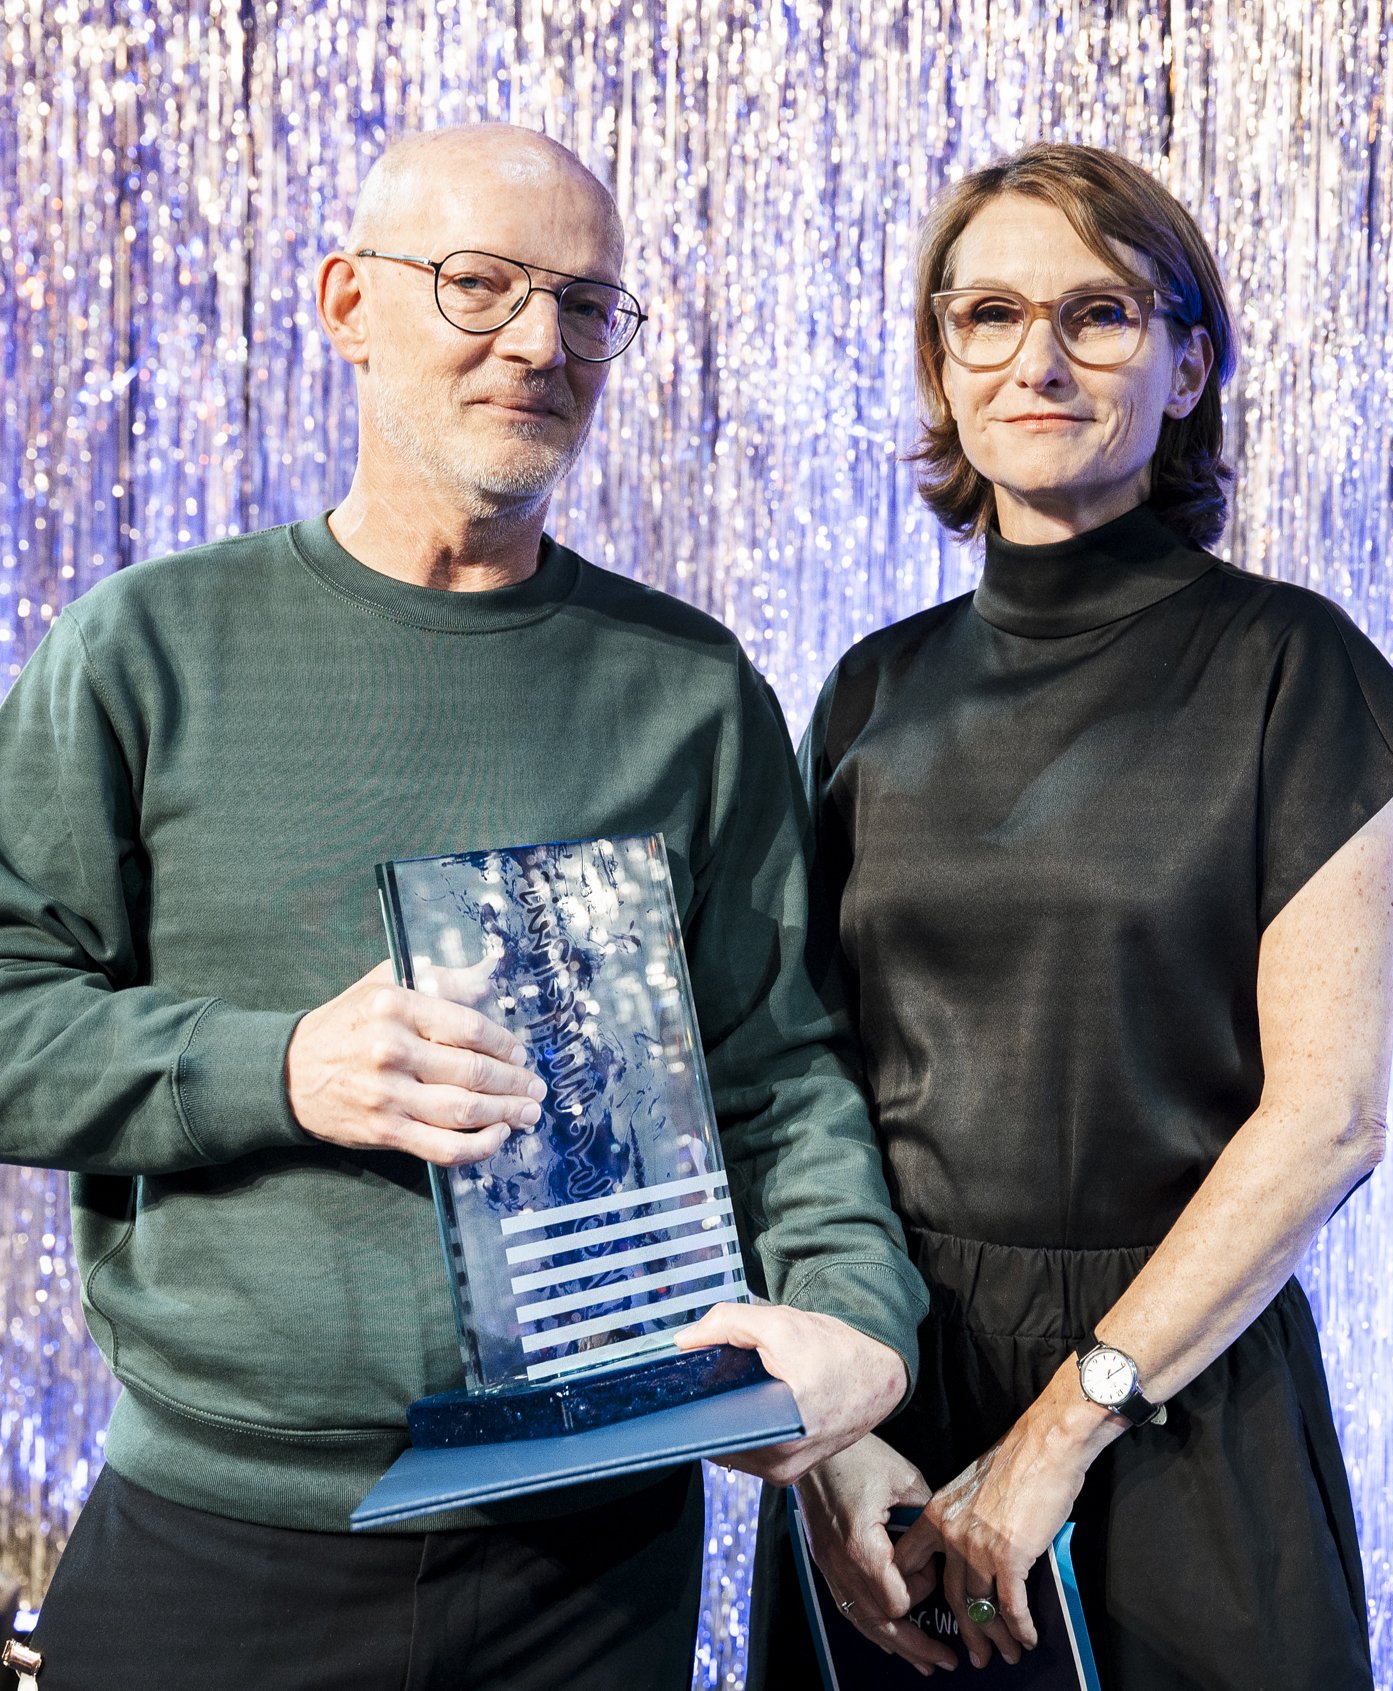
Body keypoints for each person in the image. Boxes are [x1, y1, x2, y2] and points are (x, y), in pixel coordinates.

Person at [0, 124, 926, 1691]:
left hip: (594, 1561)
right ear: (347, 303)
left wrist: (856, 1320)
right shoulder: (144, 648)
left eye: (584, 305)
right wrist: (281, 1070)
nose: (536, 343)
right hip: (224, 1546)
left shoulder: (690, 689)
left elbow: (774, 1073)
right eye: (478, 284)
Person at [758, 142, 1393, 1689]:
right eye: (989, 315)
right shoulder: (871, 689)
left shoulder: (1295, 670)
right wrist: (831, 1435)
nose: (1039, 359)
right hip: (894, 1410)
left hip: (1180, 1402)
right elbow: (799, 1082)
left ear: (1189, 362)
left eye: (1101, 315)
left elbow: (1331, 1119)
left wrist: (1060, 1431)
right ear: (943, 363)